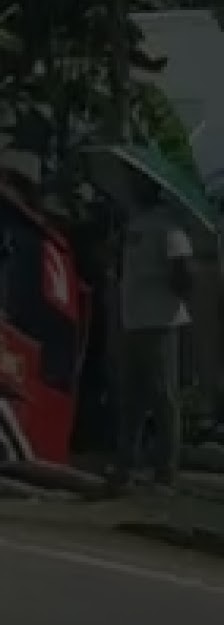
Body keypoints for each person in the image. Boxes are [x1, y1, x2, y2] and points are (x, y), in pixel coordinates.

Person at [112, 175, 194, 492]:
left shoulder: (169, 227)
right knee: (131, 397)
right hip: (133, 320)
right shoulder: (135, 223)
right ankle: (126, 464)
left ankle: (166, 470)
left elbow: (184, 272)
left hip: (160, 321)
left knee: (163, 397)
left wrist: (169, 288)